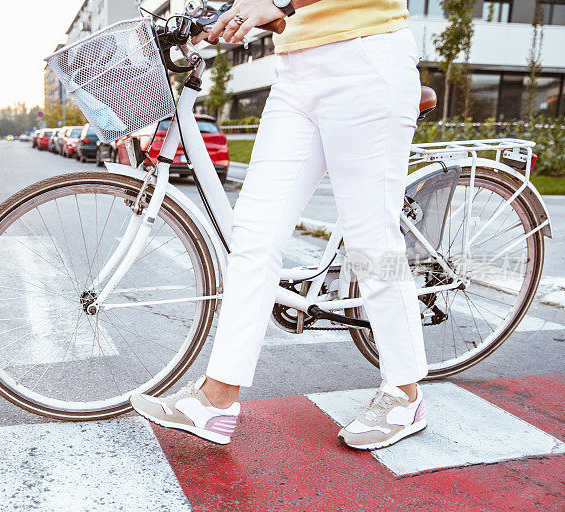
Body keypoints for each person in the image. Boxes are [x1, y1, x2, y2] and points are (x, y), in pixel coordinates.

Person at [131, 0, 428, 450]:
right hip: (295, 71)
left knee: (371, 242)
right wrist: (240, 16)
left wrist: (277, 2)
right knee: (253, 237)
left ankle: (405, 394)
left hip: (366, 58)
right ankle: (216, 399)